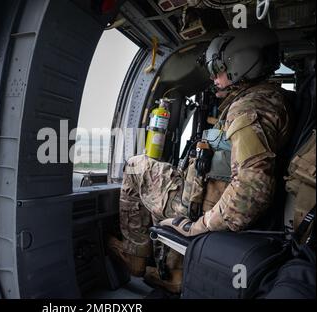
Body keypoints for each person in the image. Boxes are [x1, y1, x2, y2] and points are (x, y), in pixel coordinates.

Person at [108, 24, 291, 293]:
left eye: (219, 69)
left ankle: (135, 256)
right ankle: (175, 272)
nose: (214, 77)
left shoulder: (248, 111)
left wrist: (197, 227)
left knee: (136, 166)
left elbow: (252, 189)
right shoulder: (272, 99)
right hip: (206, 194)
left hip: (201, 207)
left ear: (242, 64)